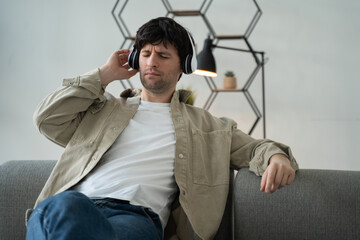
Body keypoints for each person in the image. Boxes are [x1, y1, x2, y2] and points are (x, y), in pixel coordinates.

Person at [26, 17, 298, 240]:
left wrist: (277, 157)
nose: (152, 61)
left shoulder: (208, 127)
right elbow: (46, 118)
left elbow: (257, 148)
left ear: (184, 67)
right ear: (135, 60)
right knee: (59, 208)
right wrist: (104, 75)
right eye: (145, 54)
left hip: (134, 218)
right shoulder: (102, 110)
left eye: (163, 55)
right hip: (76, 206)